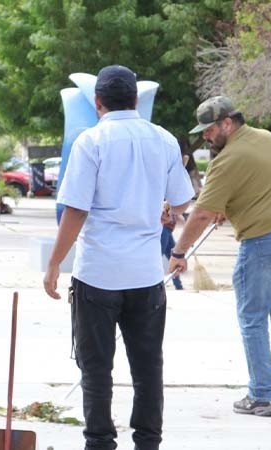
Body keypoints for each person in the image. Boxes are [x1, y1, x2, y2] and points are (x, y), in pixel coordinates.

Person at [43, 65, 194, 450]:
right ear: (135, 100)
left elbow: (75, 211)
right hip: (145, 276)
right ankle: (147, 443)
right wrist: (162, 210)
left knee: (96, 369)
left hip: (97, 275)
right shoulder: (163, 140)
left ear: (98, 102)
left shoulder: (90, 141)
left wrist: (54, 264)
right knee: (147, 368)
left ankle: (100, 443)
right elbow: (180, 201)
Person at [168, 96, 271, 417]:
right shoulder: (267, 138)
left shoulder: (227, 159)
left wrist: (179, 252)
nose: (205, 136)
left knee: (253, 318)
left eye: (208, 130)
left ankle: (261, 395)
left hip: (264, 241)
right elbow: (261, 187)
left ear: (227, 124)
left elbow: (202, 213)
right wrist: (229, 210)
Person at [159, 202, 183, 290]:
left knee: (173, 257)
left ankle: (178, 285)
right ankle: (157, 283)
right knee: (159, 256)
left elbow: (180, 217)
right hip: (163, 231)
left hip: (168, 232)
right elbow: (166, 214)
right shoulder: (167, 204)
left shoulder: (175, 206)